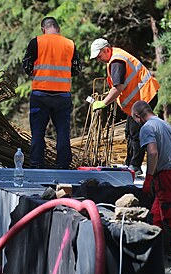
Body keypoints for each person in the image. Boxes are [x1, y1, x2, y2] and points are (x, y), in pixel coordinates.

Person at [89, 38, 160, 176]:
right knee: (130, 131)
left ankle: (135, 167)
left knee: (136, 133)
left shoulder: (116, 61)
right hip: (138, 100)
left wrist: (103, 103)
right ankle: (130, 164)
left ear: (107, 50)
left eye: (99, 56)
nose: (99, 59)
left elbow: (118, 88)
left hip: (145, 97)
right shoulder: (115, 57)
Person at [131, 100, 171, 255]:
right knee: (157, 216)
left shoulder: (147, 128)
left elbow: (152, 152)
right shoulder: (164, 124)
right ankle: (157, 252)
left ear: (138, 116)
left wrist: (149, 178)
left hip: (167, 175)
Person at [22, 17, 81, 169]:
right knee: (62, 132)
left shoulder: (36, 42)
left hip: (40, 94)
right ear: (58, 28)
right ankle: (63, 165)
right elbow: (77, 69)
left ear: (43, 29)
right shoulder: (70, 44)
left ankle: (36, 164)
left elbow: (26, 66)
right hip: (62, 94)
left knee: (38, 132)